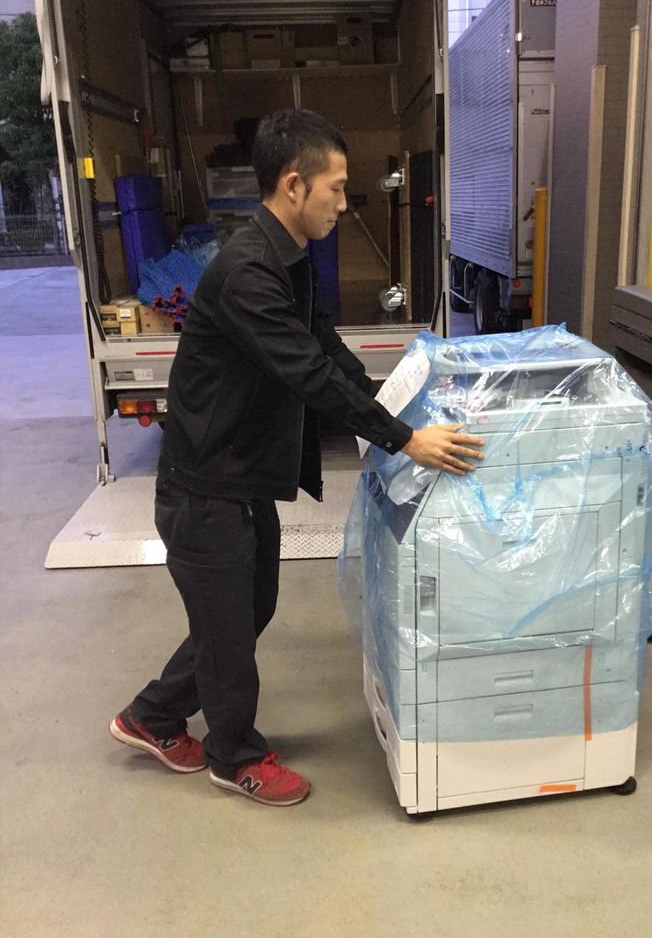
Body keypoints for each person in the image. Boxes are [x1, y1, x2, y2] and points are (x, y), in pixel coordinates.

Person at [109, 109, 484, 807]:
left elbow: (324, 344)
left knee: (247, 612)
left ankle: (151, 716)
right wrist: (405, 440)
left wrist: (391, 403)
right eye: (335, 188)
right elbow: (305, 373)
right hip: (204, 489)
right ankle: (235, 757)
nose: (344, 203)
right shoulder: (248, 272)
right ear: (293, 185)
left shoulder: (290, 256)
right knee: (229, 632)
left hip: (240, 476)